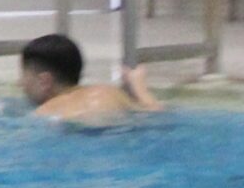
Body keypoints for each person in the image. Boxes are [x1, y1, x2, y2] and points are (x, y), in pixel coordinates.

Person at [19, 33, 162, 124]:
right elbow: (155, 112)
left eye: (24, 76)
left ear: (44, 81)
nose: (20, 84)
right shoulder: (108, 93)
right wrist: (138, 85)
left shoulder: (45, 113)